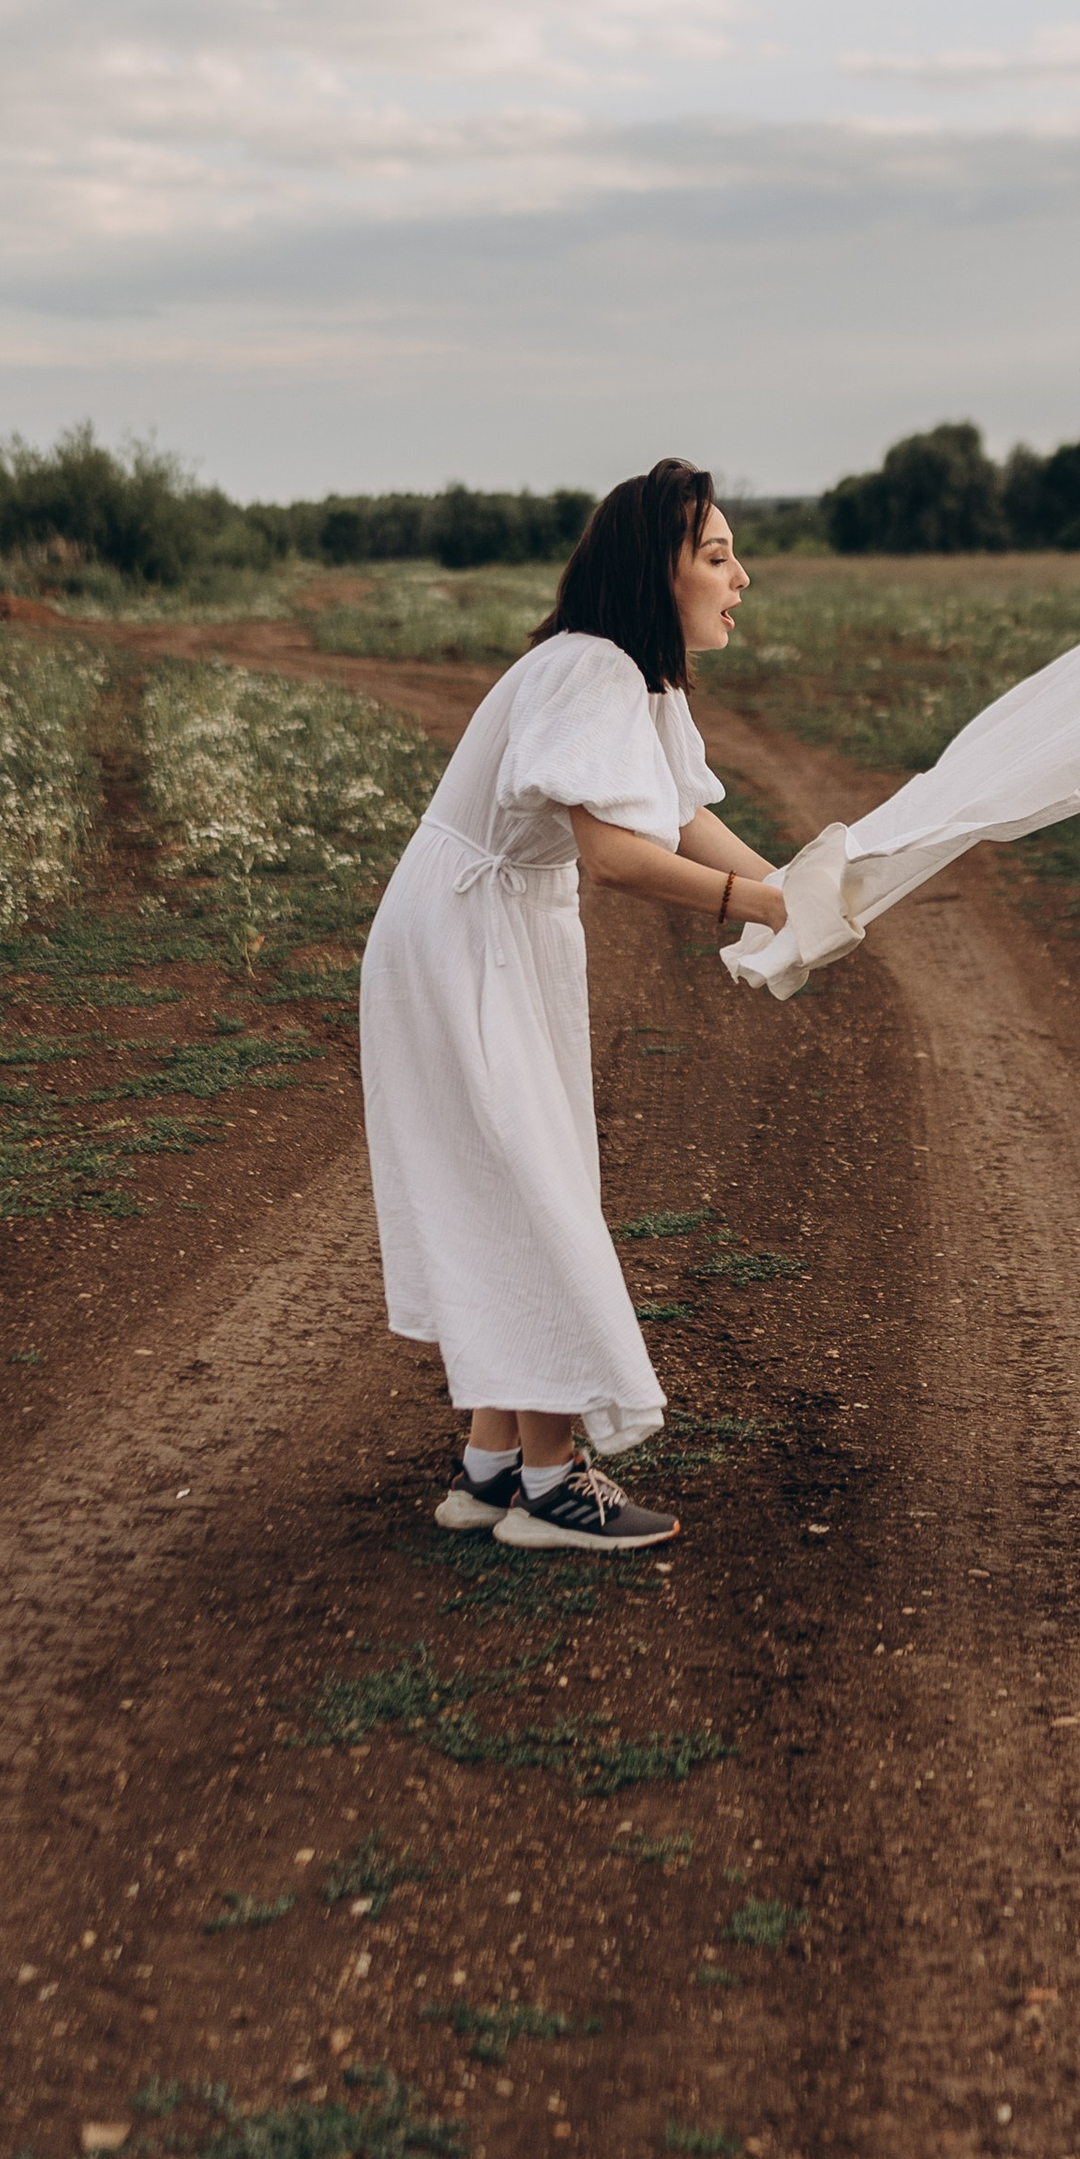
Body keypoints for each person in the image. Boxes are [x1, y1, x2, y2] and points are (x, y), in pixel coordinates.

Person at [360, 461, 790, 1553]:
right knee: (536, 1188)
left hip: (487, 927)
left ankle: (491, 1468)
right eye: (717, 555)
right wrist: (759, 906)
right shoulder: (593, 666)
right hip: (470, 934)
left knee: (518, 1180)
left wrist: (801, 890)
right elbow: (615, 856)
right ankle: (551, 1487)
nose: (741, 575)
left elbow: (681, 818)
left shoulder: (635, 679)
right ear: (657, 572)